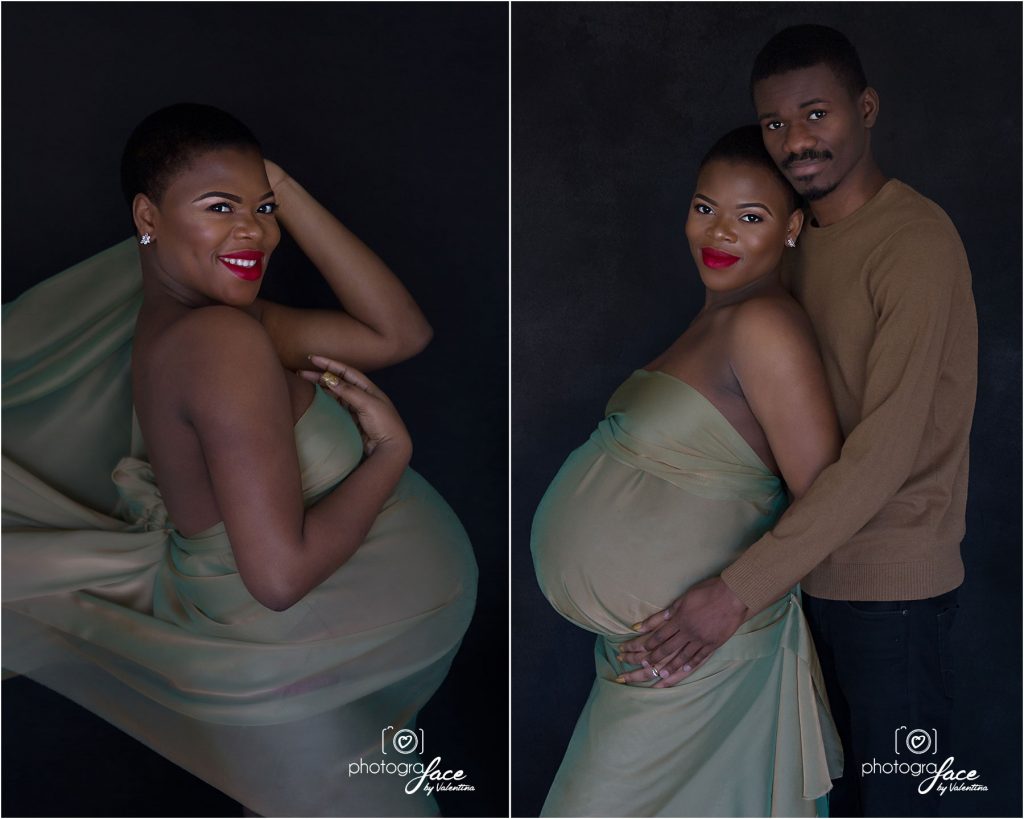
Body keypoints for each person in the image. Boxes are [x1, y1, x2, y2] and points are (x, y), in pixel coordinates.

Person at [2, 103, 478, 817]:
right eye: (220, 206)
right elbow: (279, 577)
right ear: (148, 215)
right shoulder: (220, 344)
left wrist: (279, 183)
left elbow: (398, 332)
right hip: (283, 656)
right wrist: (388, 453)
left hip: (304, 656)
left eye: (263, 206)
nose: (253, 229)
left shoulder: (219, 323)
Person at [620, 26, 977, 817]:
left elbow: (883, 457)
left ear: (867, 108)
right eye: (776, 123)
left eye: (815, 115)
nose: (795, 141)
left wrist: (734, 592)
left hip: (892, 596)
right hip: (805, 579)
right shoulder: (790, 237)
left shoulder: (915, 243)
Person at [531, 125, 844, 817]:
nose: (720, 232)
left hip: (707, 660)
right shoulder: (718, 317)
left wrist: (731, 595)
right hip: (657, 663)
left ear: (793, 226)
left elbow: (830, 503)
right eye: (706, 207)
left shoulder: (764, 326)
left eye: (751, 216)